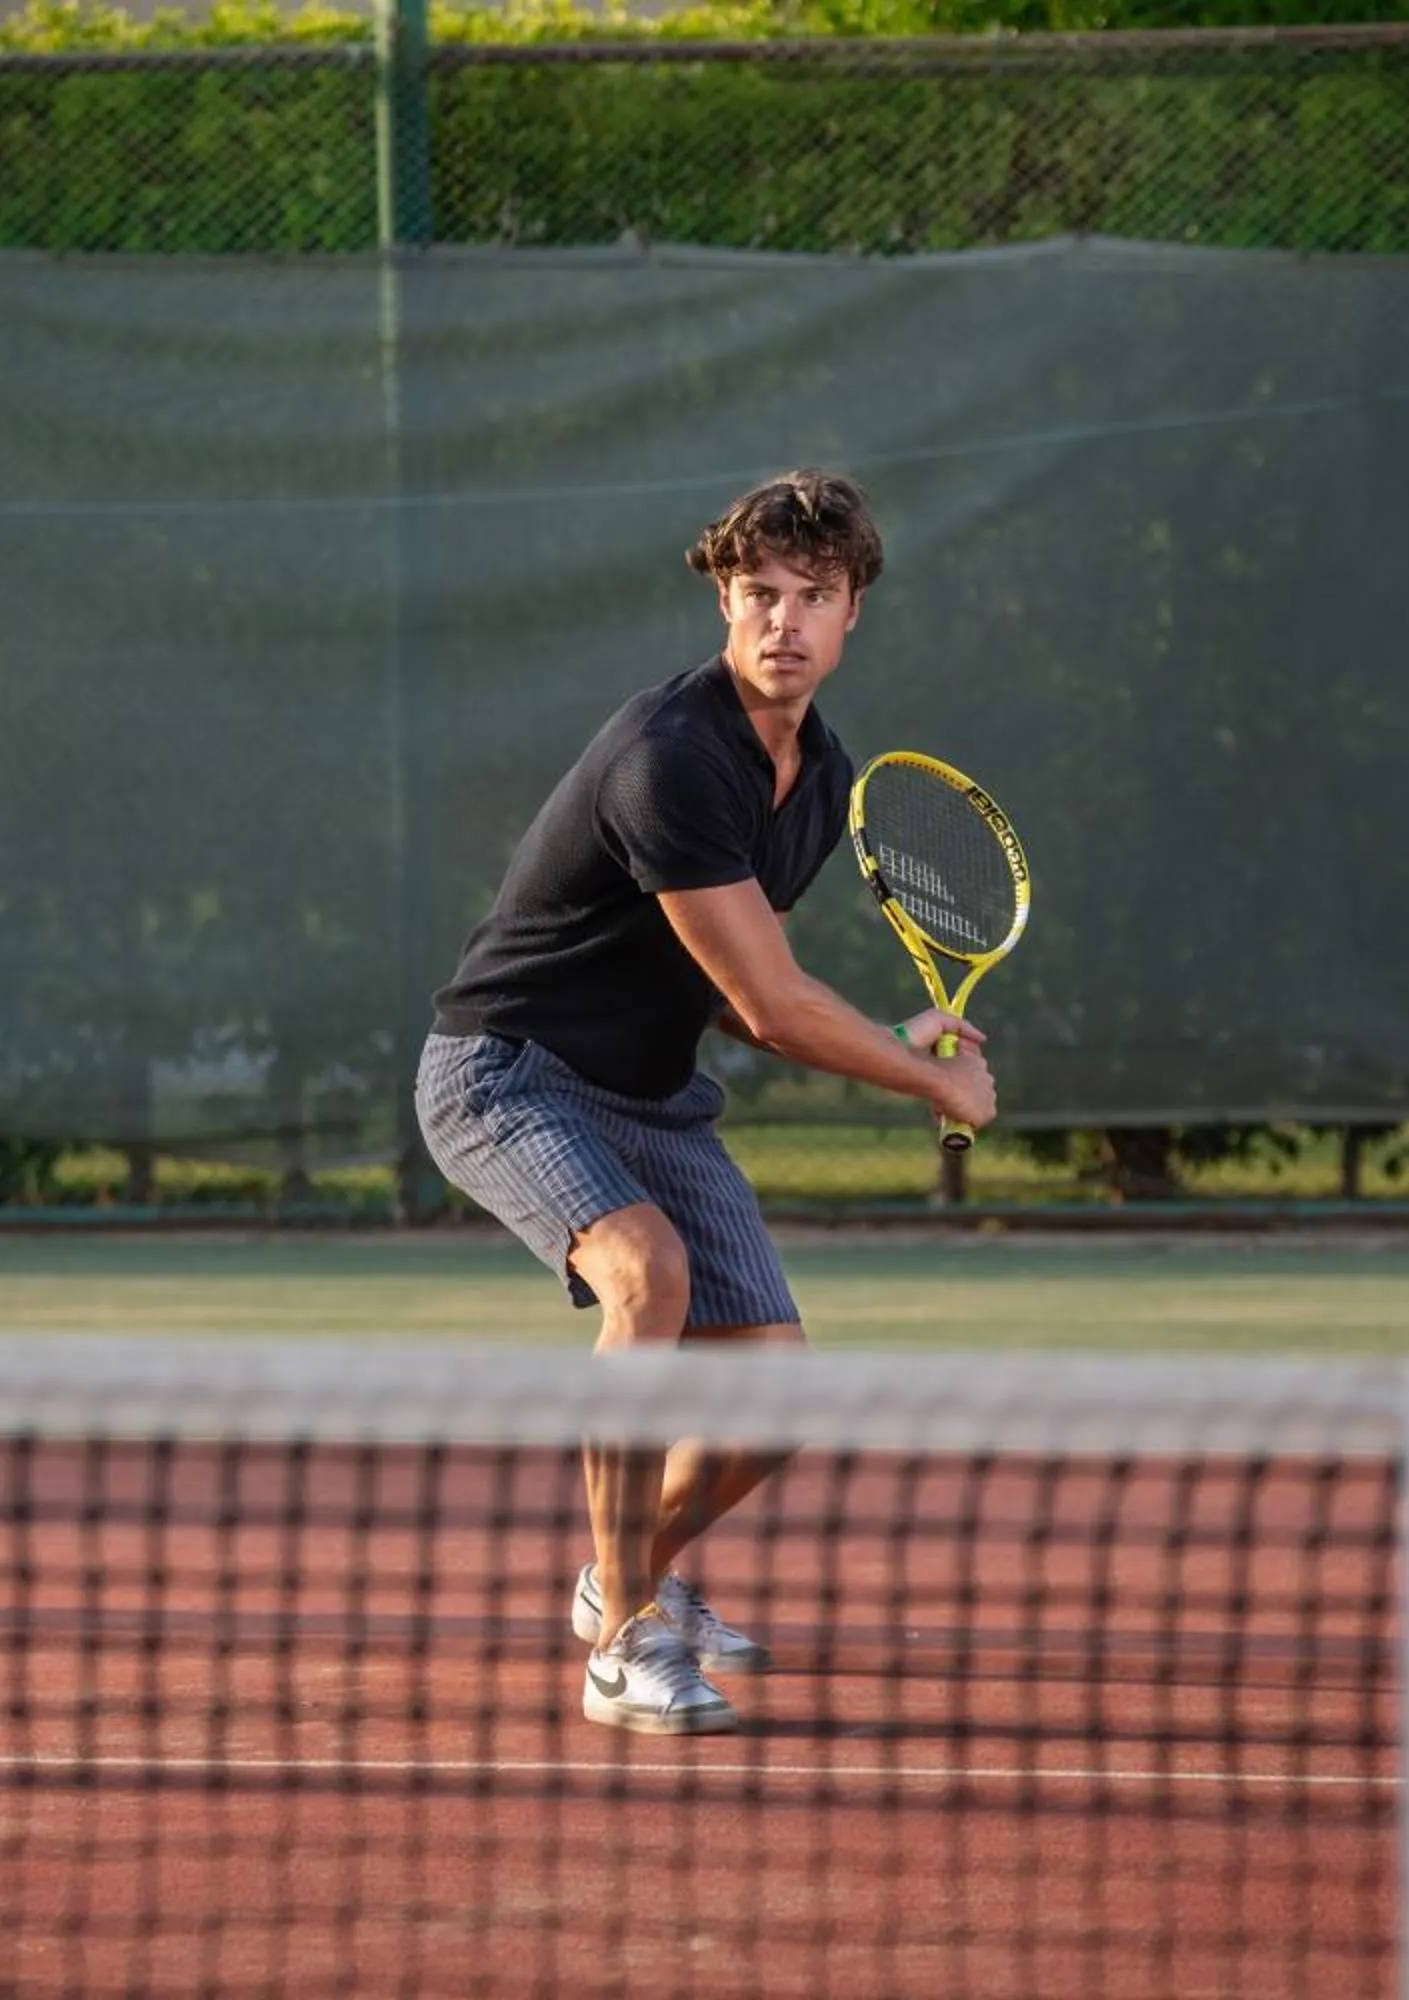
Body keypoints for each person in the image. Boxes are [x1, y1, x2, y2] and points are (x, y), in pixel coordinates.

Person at [413, 468, 999, 1736]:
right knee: (647, 1273)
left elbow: (741, 991)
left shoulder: (822, 776)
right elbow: (781, 1010)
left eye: (813, 596)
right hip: (508, 1067)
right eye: (758, 595)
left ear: (853, 614)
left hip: (652, 1093)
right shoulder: (669, 757)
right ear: (724, 604)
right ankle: (625, 1641)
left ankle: (618, 1578)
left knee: (774, 1395)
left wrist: (896, 1037)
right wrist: (934, 1077)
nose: (783, 621)